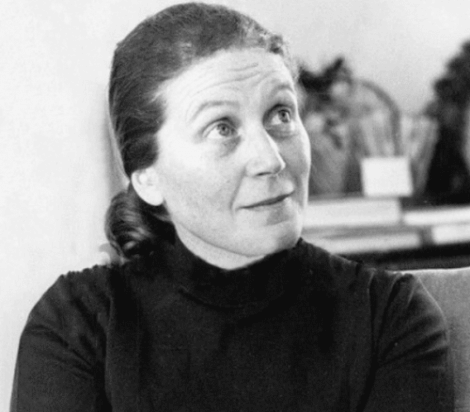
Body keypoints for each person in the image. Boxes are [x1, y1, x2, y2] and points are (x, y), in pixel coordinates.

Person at [11, 3, 453, 411]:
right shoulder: (77, 327)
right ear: (147, 178)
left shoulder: (389, 318)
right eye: (222, 128)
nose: (271, 159)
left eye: (281, 114)